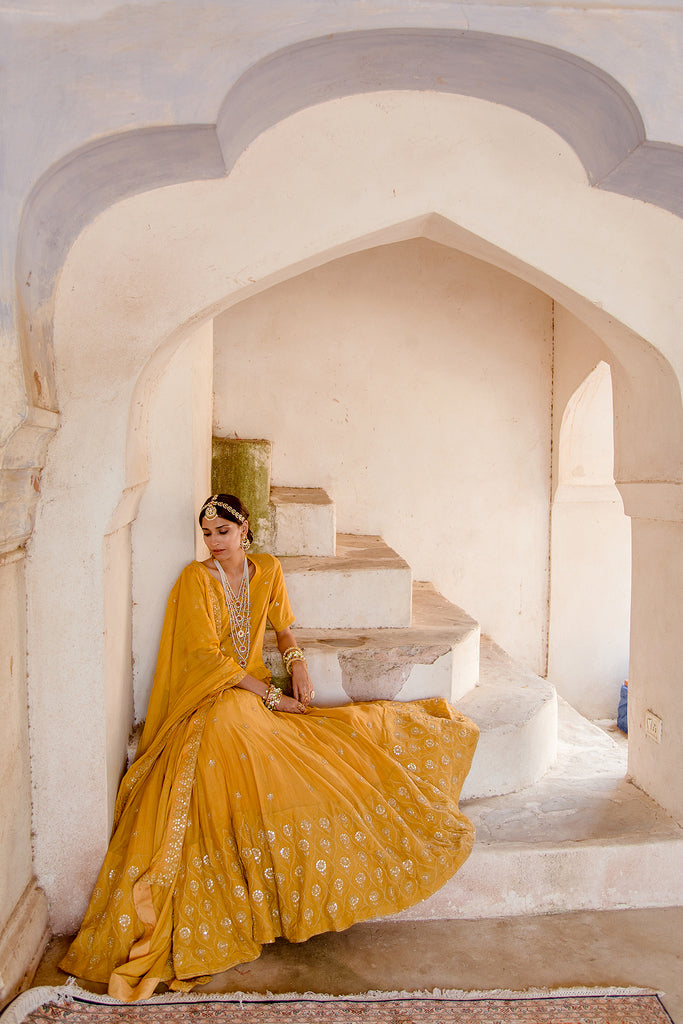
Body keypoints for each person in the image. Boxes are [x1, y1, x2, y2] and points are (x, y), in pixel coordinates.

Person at [60, 494, 479, 1002]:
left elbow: (283, 628)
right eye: (208, 534)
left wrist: (298, 665)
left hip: (256, 694)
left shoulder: (268, 571)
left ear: (245, 532)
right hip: (215, 700)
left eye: (223, 532)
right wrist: (274, 698)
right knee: (234, 733)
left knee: (319, 743)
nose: (215, 543)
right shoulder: (196, 582)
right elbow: (205, 658)